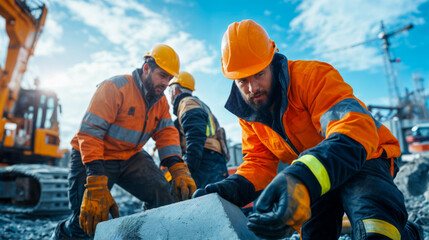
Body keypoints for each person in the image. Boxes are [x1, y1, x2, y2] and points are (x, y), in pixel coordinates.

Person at [194, 20, 423, 240]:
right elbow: (259, 163)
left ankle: (409, 234)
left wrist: (301, 177)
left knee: (375, 232)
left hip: (365, 159)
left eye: (259, 74)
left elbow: (355, 129)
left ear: (272, 61)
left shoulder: (311, 77)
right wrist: (231, 189)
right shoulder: (251, 112)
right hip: (315, 176)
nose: (252, 88)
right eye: (242, 81)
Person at [52, 44, 196, 239]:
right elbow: (91, 132)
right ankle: (62, 233)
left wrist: (177, 167)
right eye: (162, 75)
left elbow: (166, 133)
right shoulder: (115, 87)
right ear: (146, 68)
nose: (166, 83)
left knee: (163, 193)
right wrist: (95, 180)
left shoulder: (160, 101)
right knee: (88, 219)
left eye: (169, 78)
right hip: (94, 157)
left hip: (130, 156)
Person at [168, 71, 229, 188]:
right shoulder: (200, 104)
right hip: (212, 158)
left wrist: (187, 170)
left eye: (169, 91)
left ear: (175, 90)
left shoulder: (187, 103)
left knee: (206, 201)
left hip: (204, 160)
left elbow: (195, 138)